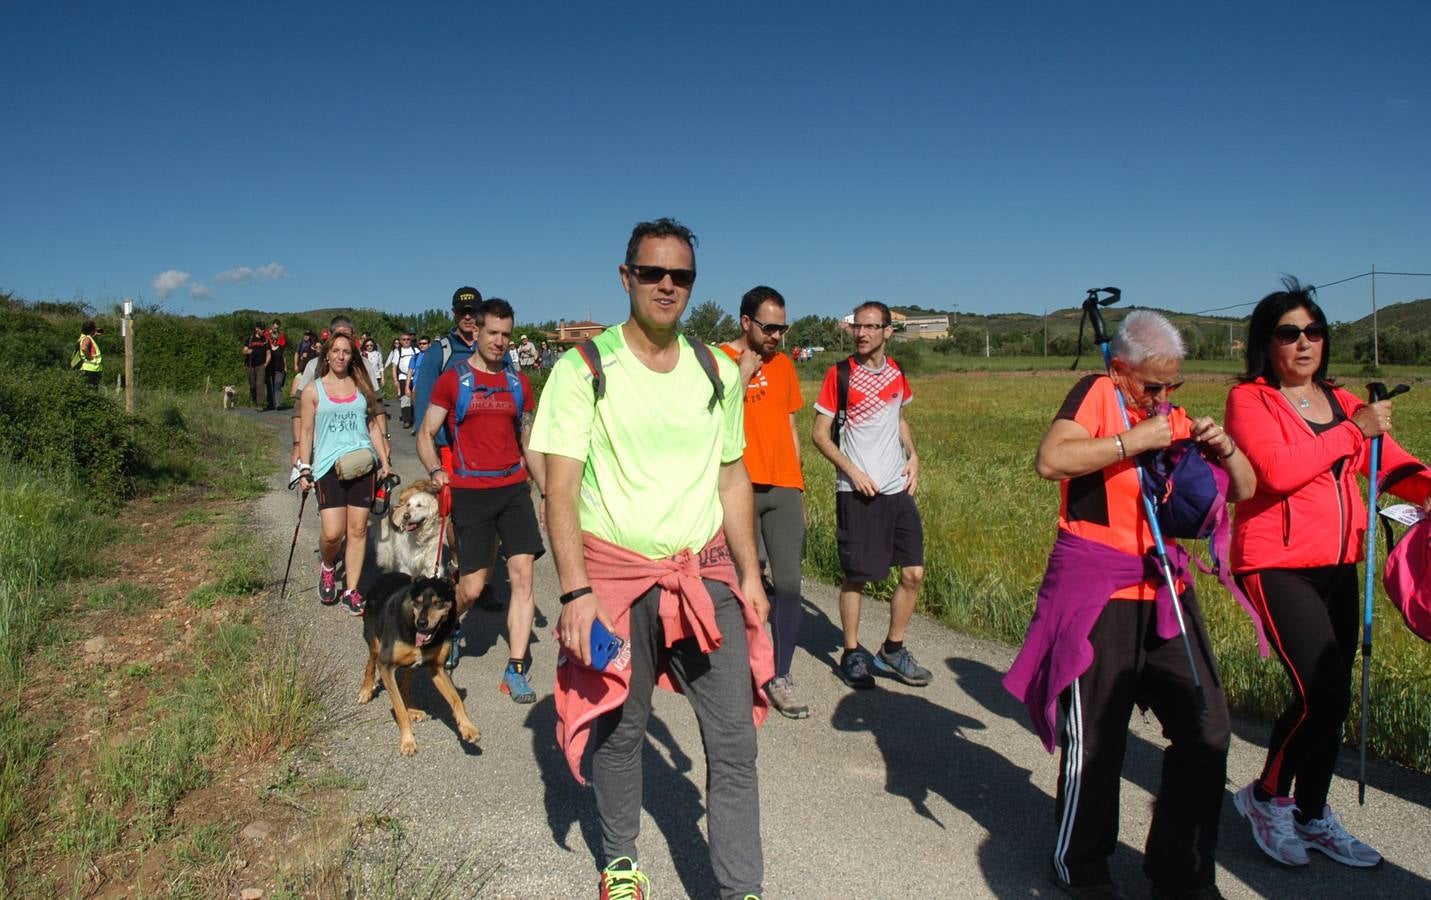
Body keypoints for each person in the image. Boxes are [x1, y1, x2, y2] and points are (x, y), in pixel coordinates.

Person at [529, 217, 773, 900]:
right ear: (626, 277)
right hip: (615, 579)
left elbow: (732, 476)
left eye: (681, 276)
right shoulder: (583, 369)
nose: (667, 286)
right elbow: (561, 486)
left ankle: (739, 888)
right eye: (652, 273)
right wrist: (574, 593)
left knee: (733, 744)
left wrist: (751, 577)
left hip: (704, 576)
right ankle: (620, 864)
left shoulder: (715, 369)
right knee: (622, 729)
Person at [1007, 309, 1255, 900]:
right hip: (1099, 587)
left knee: (1207, 728)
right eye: (1153, 386)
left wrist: (1226, 449)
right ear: (1120, 370)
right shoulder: (1096, 392)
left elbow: (1243, 489)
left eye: (1175, 386)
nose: (1165, 396)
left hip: (1165, 585)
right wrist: (1130, 440)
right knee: (1097, 736)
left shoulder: (1170, 413)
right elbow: (1051, 460)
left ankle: (1182, 869)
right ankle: (1081, 863)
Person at [1224, 278, 1431, 869]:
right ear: (1267, 345)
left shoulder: (1342, 401)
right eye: (1289, 334)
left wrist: (1428, 488)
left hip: (1342, 563)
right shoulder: (1252, 401)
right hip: (1274, 565)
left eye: (1313, 331)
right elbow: (1275, 471)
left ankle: (1312, 814)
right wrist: (1354, 430)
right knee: (1324, 689)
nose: (1304, 343)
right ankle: (1266, 798)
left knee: (1330, 702)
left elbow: (1388, 465)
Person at [417, 298, 547, 703]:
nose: (500, 341)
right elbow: (425, 434)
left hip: (512, 488)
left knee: (523, 575)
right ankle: (449, 627)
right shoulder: (453, 380)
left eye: (507, 335)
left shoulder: (517, 383)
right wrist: (437, 470)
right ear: (478, 332)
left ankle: (516, 668)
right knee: (472, 589)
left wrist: (545, 492)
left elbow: (529, 442)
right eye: (493, 333)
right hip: (471, 491)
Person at [811, 301, 931, 689]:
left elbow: (899, 419)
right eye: (856, 327)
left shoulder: (897, 372)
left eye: (870, 327)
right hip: (856, 492)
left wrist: (913, 455)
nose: (861, 334)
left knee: (913, 573)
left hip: (897, 489)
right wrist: (853, 471)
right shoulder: (840, 374)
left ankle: (892, 650)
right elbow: (818, 433)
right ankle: (851, 653)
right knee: (857, 576)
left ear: (887, 332)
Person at [720, 285, 809, 718]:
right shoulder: (717, 359)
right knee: (743, 586)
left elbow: (790, 424)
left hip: (783, 487)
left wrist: (800, 484)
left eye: (782, 328)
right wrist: (741, 373)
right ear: (746, 322)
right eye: (769, 327)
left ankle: (781, 674)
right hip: (737, 486)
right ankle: (740, 671)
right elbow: (708, 417)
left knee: (789, 585)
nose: (776, 336)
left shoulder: (786, 366)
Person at [296, 332, 392, 616]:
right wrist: (304, 467)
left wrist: (384, 461)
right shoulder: (313, 390)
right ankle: (328, 566)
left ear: (353, 357)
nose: (340, 356)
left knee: (358, 530)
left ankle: (351, 590)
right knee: (332, 533)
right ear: (326, 354)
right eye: (335, 351)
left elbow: (373, 425)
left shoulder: (362, 387)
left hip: (363, 464)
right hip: (327, 467)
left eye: (346, 352)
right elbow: (307, 430)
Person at [413, 287, 484, 440]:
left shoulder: (496, 350)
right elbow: (423, 401)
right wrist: (427, 443)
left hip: (491, 444)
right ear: (453, 313)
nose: (467, 317)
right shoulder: (438, 352)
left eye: (472, 312)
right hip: (450, 445)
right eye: (461, 311)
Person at [387, 331, 418, 427]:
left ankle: (415, 417)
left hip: (415, 377)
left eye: (408, 339)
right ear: (400, 341)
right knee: (405, 399)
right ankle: (406, 419)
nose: (406, 341)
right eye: (404, 339)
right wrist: (395, 380)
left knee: (415, 398)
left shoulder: (415, 350)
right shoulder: (398, 351)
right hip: (403, 377)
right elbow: (394, 367)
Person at [242, 324, 270, 408]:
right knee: (253, 385)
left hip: (261, 365)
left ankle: (260, 404)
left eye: (263, 329)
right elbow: (244, 351)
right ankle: (253, 399)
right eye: (261, 329)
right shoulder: (250, 339)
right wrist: (248, 351)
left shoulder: (265, 340)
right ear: (257, 329)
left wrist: (265, 364)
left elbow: (268, 353)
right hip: (250, 365)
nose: (263, 331)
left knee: (260, 384)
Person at [265, 325, 287, 410]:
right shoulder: (268, 348)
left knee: (277, 387)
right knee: (270, 387)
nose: (274, 341)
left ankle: (278, 404)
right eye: (273, 339)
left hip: (279, 370)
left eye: (276, 339)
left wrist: (285, 368)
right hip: (270, 370)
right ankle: (271, 404)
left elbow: (284, 358)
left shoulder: (281, 348)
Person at [76, 320, 103, 388]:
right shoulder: (87, 339)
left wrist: (94, 333)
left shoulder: (83, 337)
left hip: (87, 369)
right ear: (91, 330)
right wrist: (90, 357)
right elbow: (84, 348)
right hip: (90, 370)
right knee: (92, 390)